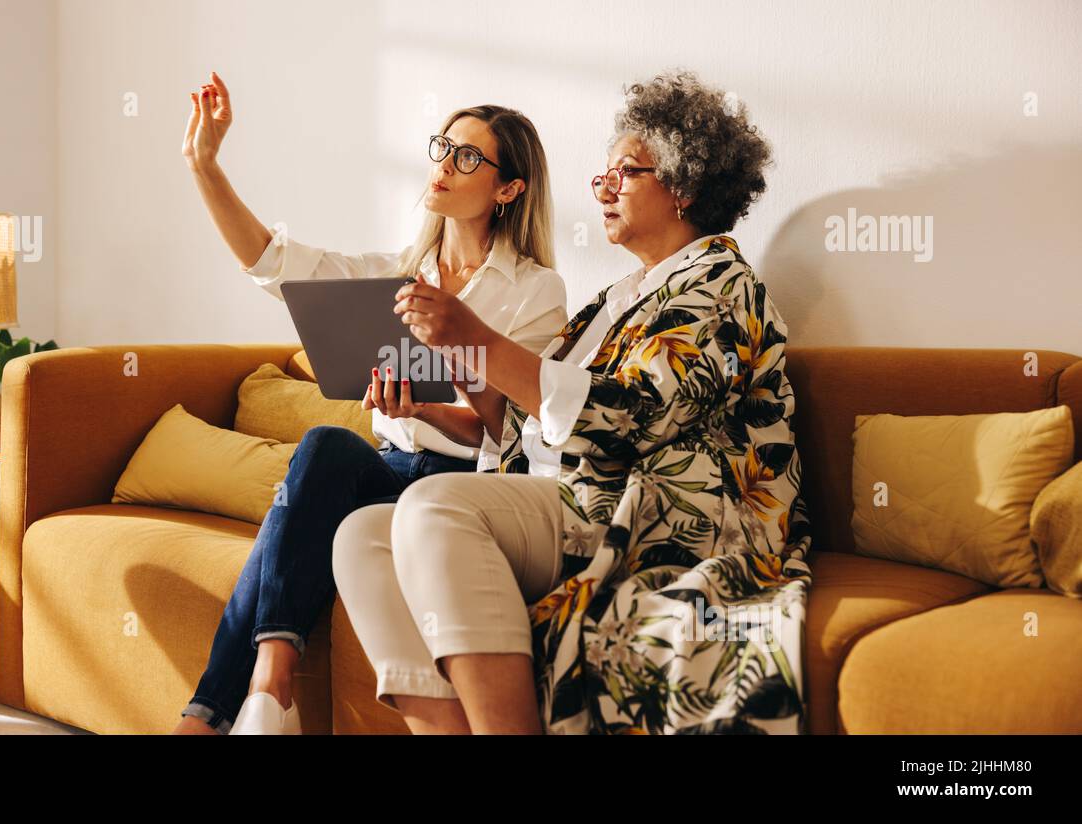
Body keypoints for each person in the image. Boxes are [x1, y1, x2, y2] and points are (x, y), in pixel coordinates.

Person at [332, 70, 814, 734]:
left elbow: (630, 414)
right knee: (360, 535)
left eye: (627, 172)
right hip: (558, 496)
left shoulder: (723, 286)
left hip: (637, 511)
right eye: (603, 174)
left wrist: (475, 334)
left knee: (433, 503)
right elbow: (524, 423)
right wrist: (455, 371)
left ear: (687, 187)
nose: (605, 187)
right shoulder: (614, 300)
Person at [173, 70, 568, 734]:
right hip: (382, 470)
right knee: (325, 446)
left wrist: (425, 408)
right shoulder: (397, 275)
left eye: (467, 156)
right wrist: (204, 165)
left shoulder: (536, 291)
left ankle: (210, 715)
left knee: (293, 518)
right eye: (441, 147)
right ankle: (270, 686)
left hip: (461, 486)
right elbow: (273, 262)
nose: (443, 165)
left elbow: (509, 429)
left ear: (508, 188)